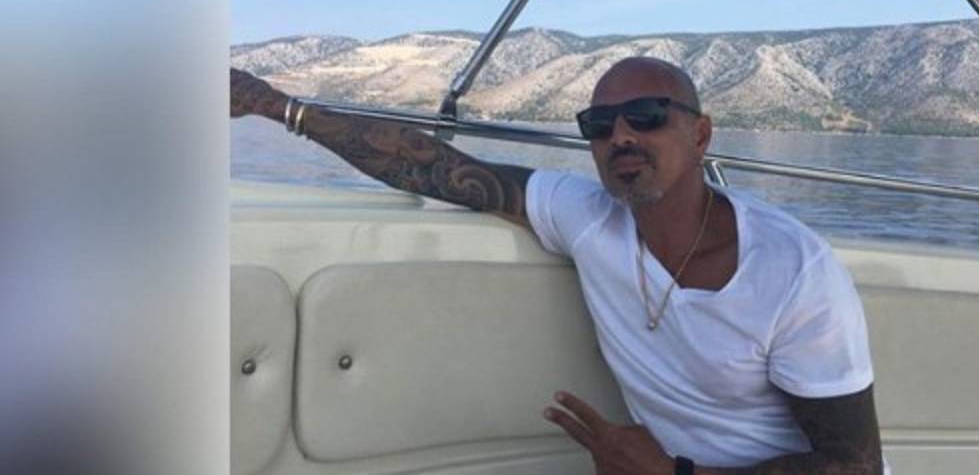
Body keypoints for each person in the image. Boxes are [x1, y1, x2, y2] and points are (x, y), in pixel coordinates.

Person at [231, 57, 884, 474]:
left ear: (701, 135)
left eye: (646, 116)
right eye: (598, 124)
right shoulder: (587, 215)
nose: (621, 135)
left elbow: (855, 466)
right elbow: (430, 166)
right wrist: (275, 105)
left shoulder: (792, 271)